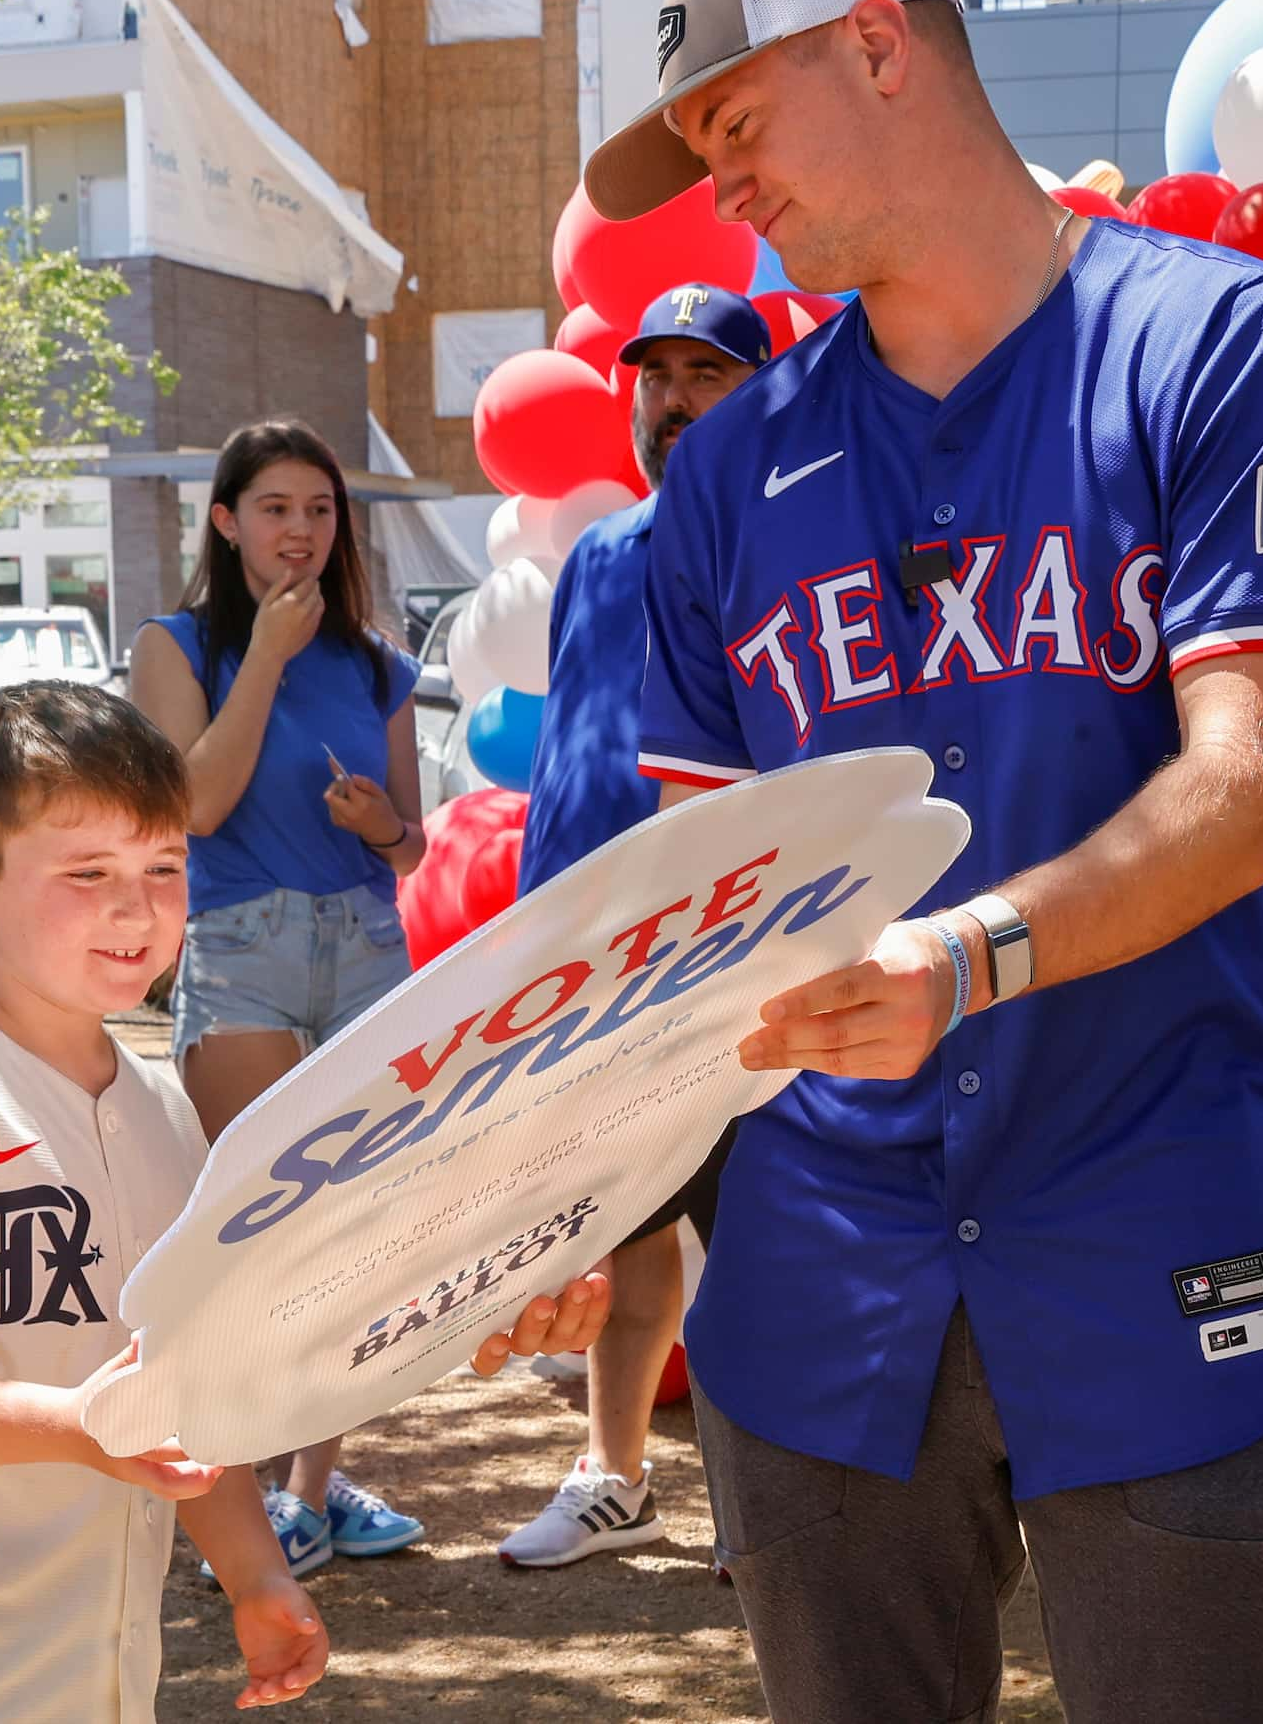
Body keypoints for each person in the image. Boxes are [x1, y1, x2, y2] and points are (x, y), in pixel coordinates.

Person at [584, 0, 1263, 1724]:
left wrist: (965, 957)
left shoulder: (1223, 343)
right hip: (817, 1280)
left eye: (736, 127)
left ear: (877, 45)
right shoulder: (723, 473)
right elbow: (699, 905)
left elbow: (1245, 779)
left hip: (1145, 1213)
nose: (728, 193)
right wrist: (561, 1184)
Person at [0, 680, 609, 1723]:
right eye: (87, 873)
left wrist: (258, 1574)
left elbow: (189, 1392)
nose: (135, 908)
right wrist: (86, 1427)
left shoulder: (166, 1117)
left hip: (98, 1677)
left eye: (165, 866)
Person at [130, 419, 430, 1578]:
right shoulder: (175, 645)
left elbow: (411, 850)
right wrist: (260, 656)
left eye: (318, 510)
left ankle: (311, 1491)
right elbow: (192, 808)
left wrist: (382, 827)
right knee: (258, 1230)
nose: (299, 531)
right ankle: (239, 1486)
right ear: (226, 522)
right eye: (274, 509)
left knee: (349, 1229)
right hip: (242, 948)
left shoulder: (377, 661)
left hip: (364, 946)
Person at [498, 283, 765, 1569]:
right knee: (627, 1217)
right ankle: (614, 1479)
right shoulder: (600, 556)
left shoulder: (795, 544)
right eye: (654, 376)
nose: (671, 399)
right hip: (594, 962)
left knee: (765, 1231)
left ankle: (769, 1503)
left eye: (704, 374)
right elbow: (570, 758)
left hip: (734, 952)